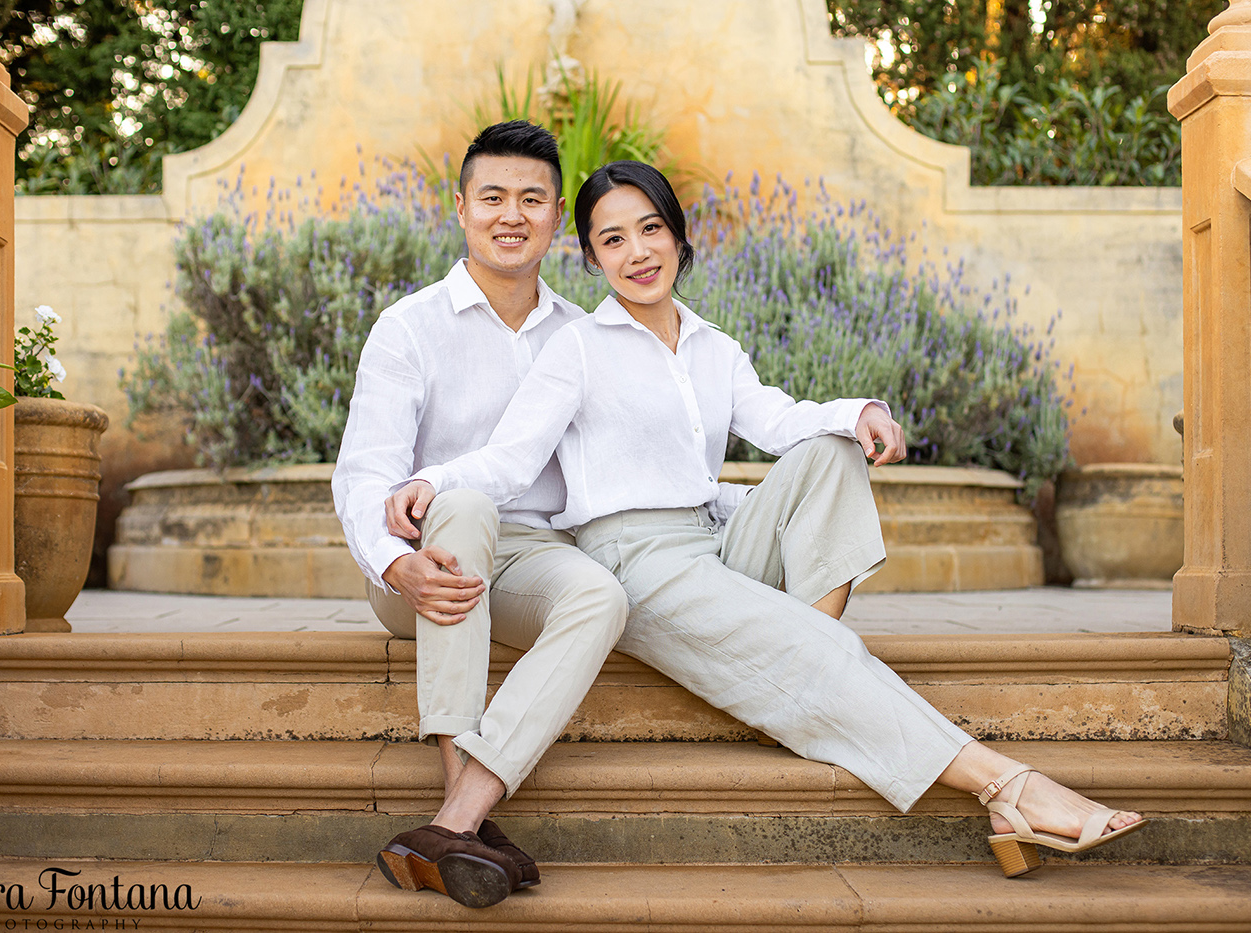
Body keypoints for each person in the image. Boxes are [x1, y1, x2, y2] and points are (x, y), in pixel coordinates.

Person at [387, 160, 1146, 879]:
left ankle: (805, 652)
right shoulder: (576, 347)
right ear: (591, 259)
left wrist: (862, 411)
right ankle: (1008, 786)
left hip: (709, 543)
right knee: (815, 628)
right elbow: (512, 458)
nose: (637, 252)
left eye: (650, 229)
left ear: (680, 238)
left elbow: (781, 421)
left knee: (830, 449)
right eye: (612, 240)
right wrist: (430, 480)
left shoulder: (713, 345)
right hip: (631, 557)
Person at [331, 122, 628, 909]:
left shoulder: (585, 335)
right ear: (460, 207)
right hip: (419, 564)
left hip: (528, 554)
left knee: (601, 594)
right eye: (493, 196)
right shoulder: (410, 327)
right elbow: (363, 472)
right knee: (460, 501)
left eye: (532, 199)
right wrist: (395, 562)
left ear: (558, 216)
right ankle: (457, 796)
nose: (511, 215)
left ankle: (454, 823)